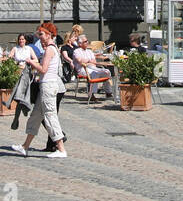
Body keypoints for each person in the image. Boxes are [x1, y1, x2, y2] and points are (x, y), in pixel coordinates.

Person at [12, 23, 67, 158]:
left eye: (41, 34)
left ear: (49, 35)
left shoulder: (50, 49)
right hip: (46, 84)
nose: (39, 37)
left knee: (49, 115)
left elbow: (43, 69)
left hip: (49, 85)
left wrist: (31, 62)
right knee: (36, 116)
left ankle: (61, 149)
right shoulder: (50, 48)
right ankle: (25, 147)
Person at [74, 36, 115, 103]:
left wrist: (88, 61)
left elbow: (93, 61)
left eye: (87, 41)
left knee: (106, 71)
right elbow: (80, 61)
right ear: (80, 43)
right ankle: (91, 94)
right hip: (82, 69)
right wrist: (88, 61)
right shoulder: (76, 51)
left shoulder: (89, 51)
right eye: (85, 41)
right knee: (94, 73)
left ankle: (108, 92)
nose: (87, 42)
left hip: (92, 67)